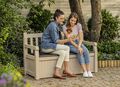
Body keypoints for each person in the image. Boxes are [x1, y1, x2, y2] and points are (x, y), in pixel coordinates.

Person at [41, 9, 76, 79]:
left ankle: (56, 72)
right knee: (67, 48)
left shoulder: (57, 25)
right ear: (56, 18)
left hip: (51, 46)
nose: (62, 20)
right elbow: (56, 41)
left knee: (63, 52)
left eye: (63, 18)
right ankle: (66, 69)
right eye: (61, 18)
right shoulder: (53, 26)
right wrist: (68, 39)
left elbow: (60, 38)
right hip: (46, 46)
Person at [63, 12, 93, 78]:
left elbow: (81, 37)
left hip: (78, 42)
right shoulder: (65, 27)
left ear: (76, 21)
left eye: (74, 21)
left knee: (86, 51)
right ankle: (84, 71)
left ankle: (88, 70)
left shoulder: (78, 25)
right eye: (72, 20)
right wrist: (78, 47)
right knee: (79, 52)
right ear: (69, 19)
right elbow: (70, 39)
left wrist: (79, 46)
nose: (73, 22)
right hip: (69, 44)